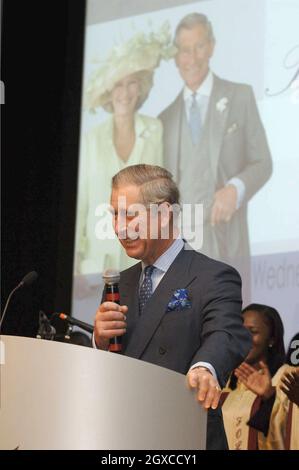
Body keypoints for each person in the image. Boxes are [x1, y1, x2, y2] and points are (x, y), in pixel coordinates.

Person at [93, 163, 252, 450]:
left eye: (130, 214)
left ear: (164, 214)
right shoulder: (120, 284)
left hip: (185, 435)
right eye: (115, 215)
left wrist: (206, 368)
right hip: (125, 437)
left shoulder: (211, 276)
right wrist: (99, 341)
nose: (119, 227)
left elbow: (226, 333)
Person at [159, 13, 273, 303]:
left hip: (229, 243)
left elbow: (263, 161)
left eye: (199, 46)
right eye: (185, 50)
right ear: (176, 57)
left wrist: (236, 187)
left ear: (211, 47)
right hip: (181, 255)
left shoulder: (240, 96)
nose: (192, 57)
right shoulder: (165, 119)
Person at [75, 23, 175, 279]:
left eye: (132, 83)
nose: (125, 92)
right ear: (109, 91)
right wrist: (76, 261)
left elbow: (162, 195)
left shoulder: (155, 129)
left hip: (145, 254)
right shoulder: (90, 139)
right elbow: (82, 205)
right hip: (97, 263)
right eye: (118, 84)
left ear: (141, 87)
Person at [221, 303, 286, 449]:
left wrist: (268, 398)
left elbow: (289, 435)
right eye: (241, 331)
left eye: (253, 331)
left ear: (271, 340)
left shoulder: (286, 379)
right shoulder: (225, 381)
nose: (244, 338)